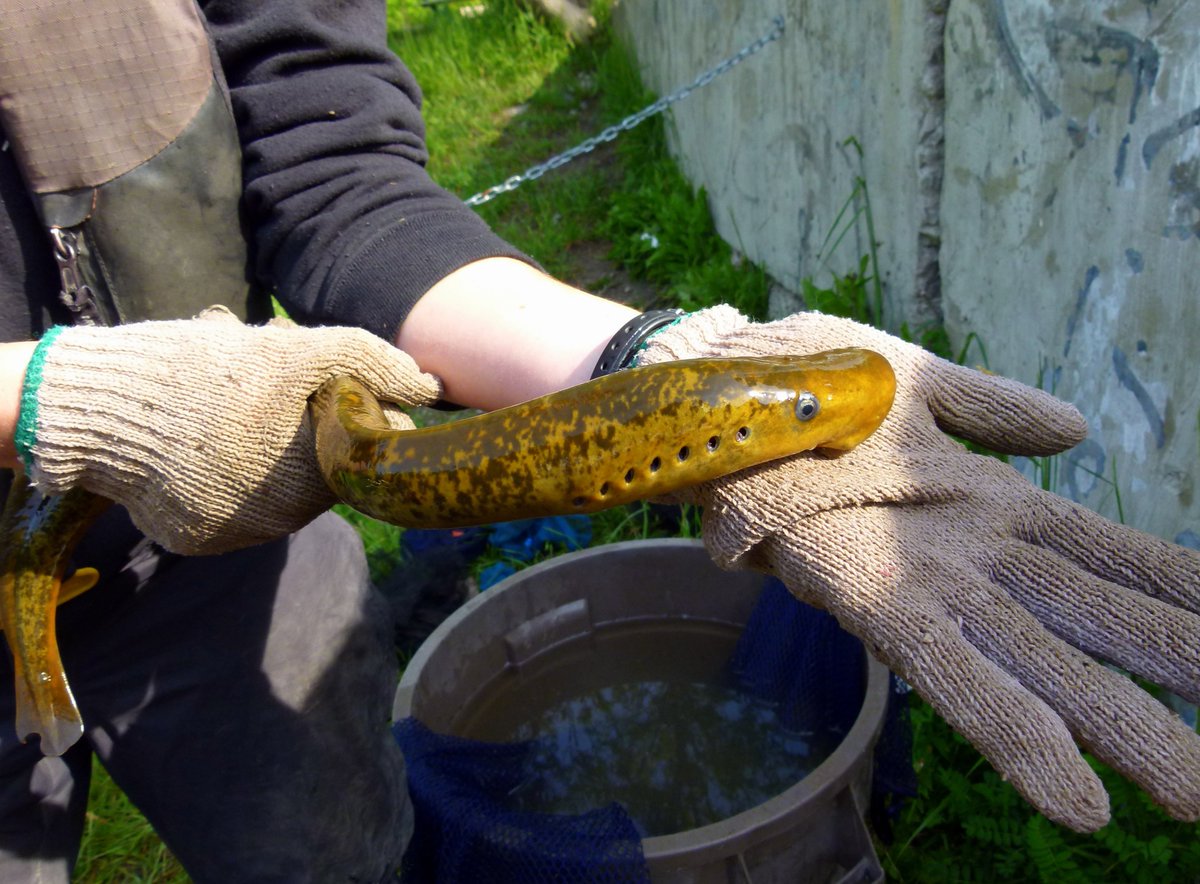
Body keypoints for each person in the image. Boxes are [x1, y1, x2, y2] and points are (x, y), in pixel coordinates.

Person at [0, 1, 1196, 881]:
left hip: (234, 521)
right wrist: (44, 398)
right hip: (130, 472)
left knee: (335, 847)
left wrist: (635, 350)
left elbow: (332, 171)